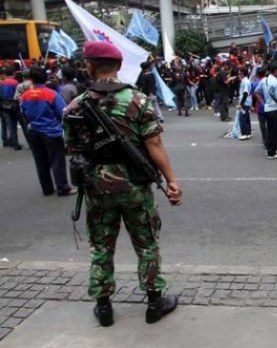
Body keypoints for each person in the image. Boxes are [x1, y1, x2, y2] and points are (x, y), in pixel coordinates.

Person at [63, 41, 182, 327]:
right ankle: (155, 302)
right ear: (118, 66)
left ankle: (103, 307)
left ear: (89, 66)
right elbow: (154, 142)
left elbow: (71, 149)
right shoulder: (138, 100)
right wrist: (171, 181)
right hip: (135, 185)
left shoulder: (75, 106)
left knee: (102, 246)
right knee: (147, 244)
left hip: (97, 186)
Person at [18, 67, 73, 196]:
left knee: (40, 161)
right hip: (51, 131)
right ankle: (62, 187)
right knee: (57, 160)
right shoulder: (51, 94)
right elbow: (63, 112)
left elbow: (23, 113)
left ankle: (47, 189)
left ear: (30, 79)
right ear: (46, 78)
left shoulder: (25, 95)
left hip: (34, 131)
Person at [255, 60, 277, 159]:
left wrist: (263, 103)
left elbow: (256, 92)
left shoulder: (265, 80)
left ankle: (270, 149)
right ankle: (271, 152)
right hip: (275, 109)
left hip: (267, 109)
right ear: (276, 70)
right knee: (274, 131)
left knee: (270, 130)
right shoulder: (276, 83)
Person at [0, 67, 22, 150]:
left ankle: (10, 141)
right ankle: (15, 143)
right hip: (14, 104)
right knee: (19, 124)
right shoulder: (15, 82)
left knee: (7, 124)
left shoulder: (2, 83)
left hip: (4, 105)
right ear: (14, 73)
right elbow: (17, 94)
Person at [237, 67, 253, 140]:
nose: (239, 75)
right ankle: (248, 133)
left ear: (243, 73)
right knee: (246, 117)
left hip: (245, 102)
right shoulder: (245, 80)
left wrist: (241, 104)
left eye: (239, 73)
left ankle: (244, 134)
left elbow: (245, 93)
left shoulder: (245, 81)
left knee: (242, 118)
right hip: (247, 101)